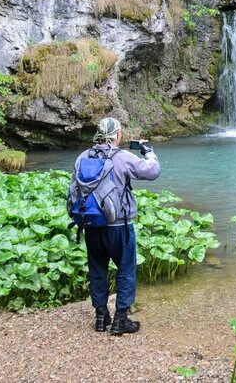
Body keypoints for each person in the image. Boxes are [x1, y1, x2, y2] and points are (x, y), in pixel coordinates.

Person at [71, 117, 160, 335]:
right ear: (117, 135)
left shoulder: (82, 157)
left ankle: (101, 318)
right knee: (126, 270)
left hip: (91, 224)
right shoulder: (122, 157)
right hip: (119, 226)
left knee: (97, 270)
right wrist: (148, 152)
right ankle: (121, 319)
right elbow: (153, 172)